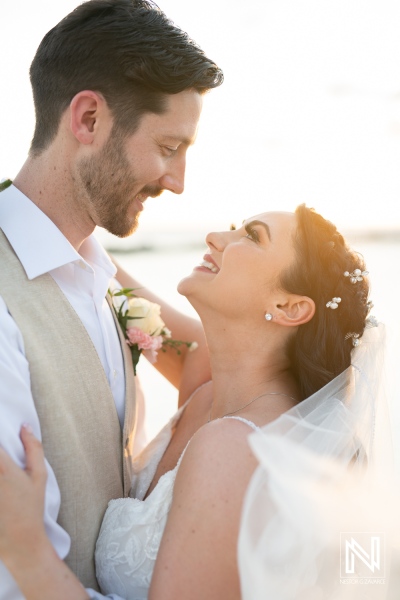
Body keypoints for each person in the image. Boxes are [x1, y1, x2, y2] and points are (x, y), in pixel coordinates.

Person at [1, 205, 394, 600]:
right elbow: (101, 283)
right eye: (234, 228)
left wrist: (28, 550)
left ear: (289, 308)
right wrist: (46, 218)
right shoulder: (208, 388)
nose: (215, 238)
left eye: (252, 236)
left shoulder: (233, 448)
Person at [0, 0, 223, 596]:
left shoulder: (105, 283)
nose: (177, 181)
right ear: (90, 119)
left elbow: (208, 361)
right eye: (170, 147)